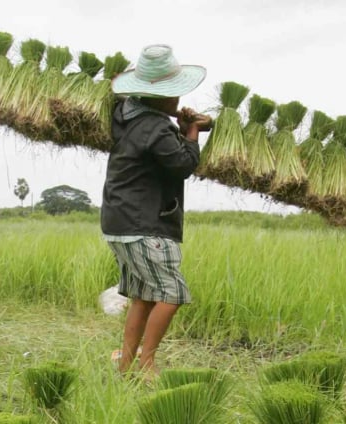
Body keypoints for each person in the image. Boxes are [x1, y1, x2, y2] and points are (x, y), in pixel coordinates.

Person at [100, 44, 212, 379]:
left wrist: (185, 128)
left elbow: (159, 151)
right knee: (172, 294)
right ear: (160, 97)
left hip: (118, 221)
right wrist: (191, 134)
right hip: (145, 224)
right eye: (174, 94)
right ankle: (147, 362)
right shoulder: (156, 127)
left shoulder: (127, 116)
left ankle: (125, 364)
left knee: (143, 296)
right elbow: (181, 164)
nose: (178, 100)